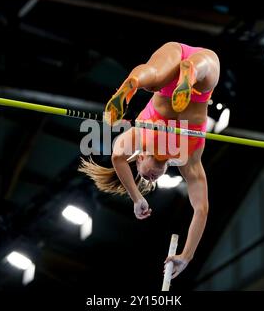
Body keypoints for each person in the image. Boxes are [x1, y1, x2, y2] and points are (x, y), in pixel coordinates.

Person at [79, 42, 220, 279]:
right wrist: (187, 256)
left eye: (144, 175)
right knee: (206, 78)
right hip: (197, 84)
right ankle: (192, 72)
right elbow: (201, 209)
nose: (151, 178)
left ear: (139, 158)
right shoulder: (188, 160)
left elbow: (117, 157)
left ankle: (132, 84)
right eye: (153, 180)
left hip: (171, 87)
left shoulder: (140, 139)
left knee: (154, 77)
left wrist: (137, 199)